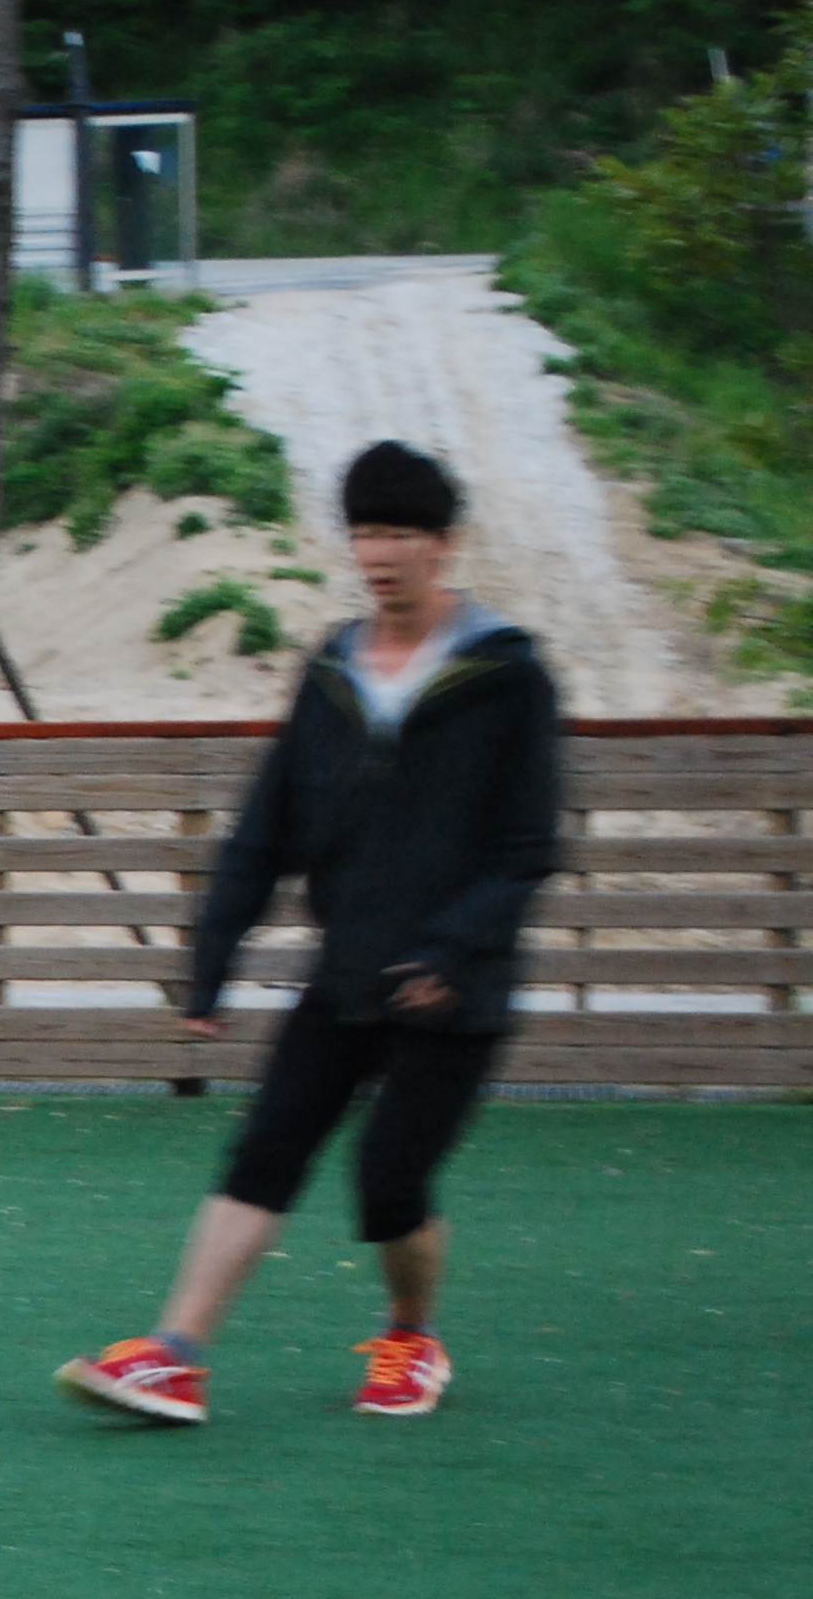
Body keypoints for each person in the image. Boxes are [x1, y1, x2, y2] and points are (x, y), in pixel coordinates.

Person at [59, 441, 561, 1426]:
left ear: (444, 544)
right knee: (264, 1153)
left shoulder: (508, 677)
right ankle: (174, 1356)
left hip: (455, 989)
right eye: (364, 531)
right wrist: (212, 959)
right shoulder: (329, 670)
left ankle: (411, 1336)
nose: (377, 552)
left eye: (399, 532)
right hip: (346, 972)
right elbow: (266, 826)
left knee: (389, 1181)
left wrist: (456, 948)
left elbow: (526, 849)